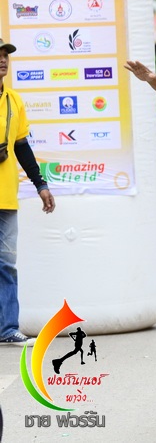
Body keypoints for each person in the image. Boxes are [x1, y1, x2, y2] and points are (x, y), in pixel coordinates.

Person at [0, 38, 56, 347]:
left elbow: (22, 147)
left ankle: (8, 329)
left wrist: (41, 184)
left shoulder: (14, 101)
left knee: (6, 264)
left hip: (6, 196)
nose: (3, 60)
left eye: (5, 56)